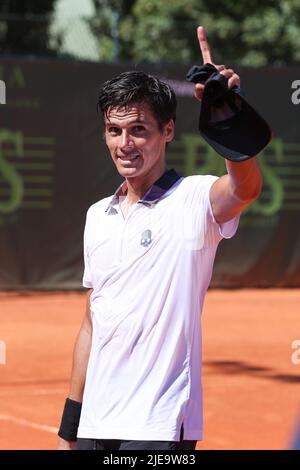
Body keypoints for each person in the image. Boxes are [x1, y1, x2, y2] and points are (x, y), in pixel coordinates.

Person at [57, 26, 263, 451]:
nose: (125, 144)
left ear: (168, 131)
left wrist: (227, 114)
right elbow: (93, 324)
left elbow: (244, 189)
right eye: (114, 131)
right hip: (97, 423)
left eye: (138, 130)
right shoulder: (98, 215)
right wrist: (69, 429)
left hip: (161, 426)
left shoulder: (193, 201)